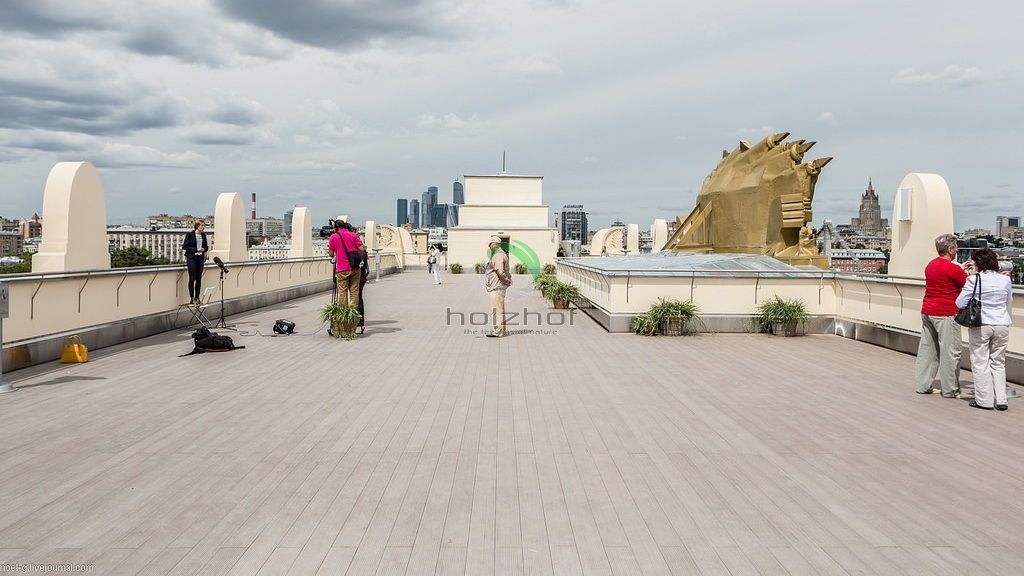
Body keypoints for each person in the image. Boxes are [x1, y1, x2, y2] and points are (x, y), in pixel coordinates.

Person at [956, 248, 1014, 411]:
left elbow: (959, 303)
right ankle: (1001, 400)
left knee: (980, 362)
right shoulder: (1005, 280)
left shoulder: (974, 279)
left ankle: (985, 400)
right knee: (999, 362)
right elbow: (1009, 302)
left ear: (978, 264)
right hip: (1002, 323)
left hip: (981, 324)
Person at [915, 233, 968, 397]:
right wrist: (966, 271)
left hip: (928, 311)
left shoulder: (931, 265)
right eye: (956, 247)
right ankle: (950, 389)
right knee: (950, 351)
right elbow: (967, 284)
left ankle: (923, 385)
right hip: (946, 313)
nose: (957, 250)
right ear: (950, 249)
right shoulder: (952, 268)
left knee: (928, 350)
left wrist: (960, 269)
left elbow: (944, 278)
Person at [327, 219, 366, 307]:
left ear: (336, 228)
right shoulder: (353, 235)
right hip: (355, 267)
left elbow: (331, 254)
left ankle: (344, 313)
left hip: (342, 269)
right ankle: (353, 312)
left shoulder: (333, 237)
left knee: (342, 292)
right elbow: (362, 249)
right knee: (354, 291)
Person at [484, 236, 512, 338]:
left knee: (496, 310)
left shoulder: (499, 255)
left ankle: (498, 332)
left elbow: (499, 271)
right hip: (498, 285)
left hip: (497, 286)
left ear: (496, 244)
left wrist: (506, 280)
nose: (489, 245)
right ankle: (502, 330)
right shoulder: (500, 254)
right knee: (500, 309)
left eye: (490, 243)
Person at [182, 220, 209, 305]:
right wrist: (196, 249)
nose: (203, 227)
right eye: (201, 225)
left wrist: (204, 249)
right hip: (192, 258)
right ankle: (192, 297)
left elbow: (206, 247)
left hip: (200, 258)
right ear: (197, 226)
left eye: (204, 226)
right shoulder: (190, 234)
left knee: (198, 279)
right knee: (192, 278)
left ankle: (197, 297)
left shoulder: (203, 235)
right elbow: (185, 246)